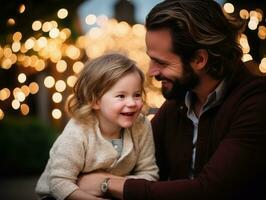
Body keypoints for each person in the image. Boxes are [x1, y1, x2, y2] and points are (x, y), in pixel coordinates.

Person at [77, 0, 266, 199]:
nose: (151, 71)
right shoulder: (178, 104)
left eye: (161, 62)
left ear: (199, 59)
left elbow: (209, 191)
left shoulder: (256, 103)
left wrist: (108, 184)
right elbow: (133, 165)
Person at [35, 53, 159, 200]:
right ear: (95, 101)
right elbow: (59, 183)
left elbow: (149, 174)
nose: (132, 103)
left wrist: (111, 184)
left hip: (113, 194)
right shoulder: (78, 130)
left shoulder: (141, 125)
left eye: (137, 94)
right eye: (121, 96)